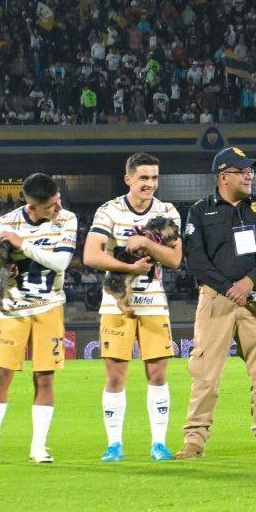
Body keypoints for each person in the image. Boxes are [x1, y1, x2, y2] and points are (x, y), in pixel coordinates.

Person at [176, 147, 256, 459]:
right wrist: (229, 288)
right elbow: (195, 260)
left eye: (250, 170)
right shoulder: (200, 211)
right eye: (242, 171)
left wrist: (249, 282)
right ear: (223, 176)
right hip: (216, 299)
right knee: (205, 374)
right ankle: (194, 441)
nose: (250, 175)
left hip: (254, 299)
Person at [0, 173, 78, 464]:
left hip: (49, 308)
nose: (57, 209)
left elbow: (61, 262)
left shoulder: (67, 219)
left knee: (44, 378)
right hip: (12, 310)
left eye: (58, 202)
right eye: (50, 207)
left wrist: (22, 245)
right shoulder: (5, 223)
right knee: (1, 375)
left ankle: (39, 447)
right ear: (31, 205)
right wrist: (0, 269)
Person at [83, 153, 183, 462]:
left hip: (153, 301)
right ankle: (114, 444)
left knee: (157, 373)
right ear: (128, 179)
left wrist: (146, 244)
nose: (150, 184)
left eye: (154, 178)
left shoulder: (168, 211)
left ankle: (159, 443)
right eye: (143, 178)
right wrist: (131, 269)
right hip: (116, 301)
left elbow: (176, 259)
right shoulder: (109, 211)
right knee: (115, 375)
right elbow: (90, 256)